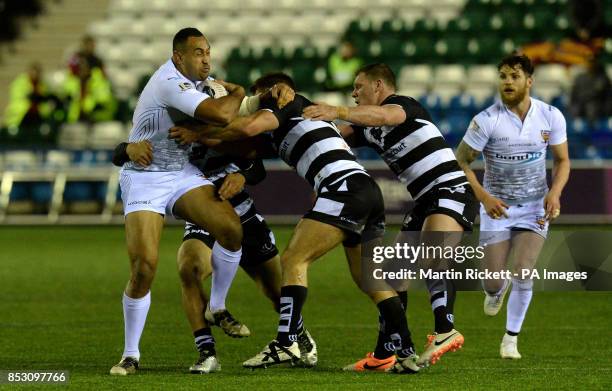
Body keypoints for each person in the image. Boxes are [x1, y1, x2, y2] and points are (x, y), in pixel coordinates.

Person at [170, 72, 421, 374]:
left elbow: (248, 125)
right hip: (365, 190)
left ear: (274, 92)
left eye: (261, 98)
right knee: (370, 279)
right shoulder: (284, 129)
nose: (256, 106)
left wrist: (197, 133)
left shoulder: (292, 104)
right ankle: (406, 351)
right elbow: (244, 144)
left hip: (342, 188)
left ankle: (286, 341)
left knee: (293, 259)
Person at [302, 63, 479, 369]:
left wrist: (338, 110)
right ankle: (386, 354)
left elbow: (384, 116)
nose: (354, 93)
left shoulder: (403, 106)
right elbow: (334, 139)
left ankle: (445, 329)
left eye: (359, 87)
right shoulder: (365, 128)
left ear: (379, 86)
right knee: (393, 277)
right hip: (426, 201)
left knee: (432, 254)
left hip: (451, 189)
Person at [109, 27, 248, 376]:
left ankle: (216, 305)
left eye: (208, 52)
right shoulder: (169, 82)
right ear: (178, 57)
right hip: (144, 177)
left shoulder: (205, 82)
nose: (205, 59)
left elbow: (236, 115)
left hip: (179, 173)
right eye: (198, 53)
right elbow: (223, 115)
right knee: (144, 268)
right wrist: (242, 92)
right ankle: (130, 354)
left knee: (231, 228)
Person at [112, 138, 317, 373]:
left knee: (277, 293)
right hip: (203, 220)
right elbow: (120, 153)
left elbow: (257, 167)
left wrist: (243, 176)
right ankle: (207, 352)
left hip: (245, 219)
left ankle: (298, 335)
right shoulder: (173, 121)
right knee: (189, 269)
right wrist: (128, 149)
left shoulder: (224, 125)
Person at [455, 53, 570, 359]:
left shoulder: (550, 116)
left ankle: (511, 339)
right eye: (503, 76)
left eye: (514, 76)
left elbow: (562, 161)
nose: (507, 81)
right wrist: (484, 197)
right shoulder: (485, 120)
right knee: (492, 282)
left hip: (535, 207)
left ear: (529, 81)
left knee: (523, 270)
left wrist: (555, 193)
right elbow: (461, 162)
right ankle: (496, 290)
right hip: (498, 209)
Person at [3, 62, 57, 129]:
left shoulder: (44, 85)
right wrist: (30, 100)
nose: (35, 77)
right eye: (32, 74)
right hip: (22, 116)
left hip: (38, 116)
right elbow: (17, 100)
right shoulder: (19, 83)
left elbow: (47, 101)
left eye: (37, 75)